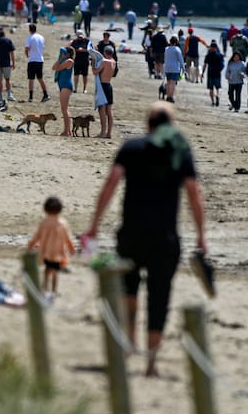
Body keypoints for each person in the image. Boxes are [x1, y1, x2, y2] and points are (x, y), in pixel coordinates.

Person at [82, 103, 208, 377]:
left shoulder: (132, 147)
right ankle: (151, 361)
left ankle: (129, 342)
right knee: (159, 296)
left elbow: (111, 183)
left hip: (131, 234)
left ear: (148, 124)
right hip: (165, 237)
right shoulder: (180, 151)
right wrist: (201, 235)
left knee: (129, 290)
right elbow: (194, 193)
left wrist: (94, 225)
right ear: (171, 125)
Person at [27, 197, 75, 296]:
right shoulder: (63, 223)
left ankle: (44, 288)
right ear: (60, 209)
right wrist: (71, 249)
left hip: (46, 252)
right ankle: (53, 290)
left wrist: (30, 246)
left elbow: (36, 237)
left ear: (45, 209)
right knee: (55, 272)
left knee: (47, 270)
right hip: (58, 253)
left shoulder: (44, 223)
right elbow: (68, 238)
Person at [53, 47, 75, 136]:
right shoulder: (63, 60)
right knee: (64, 109)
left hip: (66, 86)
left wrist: (61, 59)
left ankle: (67, 131)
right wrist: (60, 59)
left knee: (64, 109)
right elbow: (54, 67)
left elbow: (58, 68)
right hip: (62, 86)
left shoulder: (69, 61)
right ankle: (67, 130)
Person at [95, 46, 117, 138]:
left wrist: (93, 62)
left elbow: (95, 72)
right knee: (109, 111)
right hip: (109, 85)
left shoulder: (104, 61)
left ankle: (103, 132)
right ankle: (109, 133)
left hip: (102, 86)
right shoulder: (113, 61)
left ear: (104, 52)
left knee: (102, 110)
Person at [24, 23, 49, 103]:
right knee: (40, 78)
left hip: (32, 60)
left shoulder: (30, 38)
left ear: (29, 30)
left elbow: (27, 48)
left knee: (31, 79)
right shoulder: (41, 37)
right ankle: (45, 94)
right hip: (40, 59)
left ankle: (31, 96)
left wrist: (27, 55)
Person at [201, 43, 224, 107]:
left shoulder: (208, 55)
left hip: (210, 73)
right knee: (218, 88)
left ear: (211, 48)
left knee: (211, 89)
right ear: (216, 48)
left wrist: (202, 73)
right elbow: (223, 65)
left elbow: (205, 65)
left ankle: (213, 101)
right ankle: (217, 96)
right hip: (217, 73)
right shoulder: (220, 55)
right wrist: (220, 70)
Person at [162, 36, 184, 103]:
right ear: (176, 42)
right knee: (173, 83)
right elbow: (180, 60)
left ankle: (168, 96)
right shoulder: (177, 49)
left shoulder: (166, 49)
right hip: (174, 68)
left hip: (167, 68)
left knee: (168, 83)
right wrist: (183, 68)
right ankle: (171, 97)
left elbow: (165, 58)